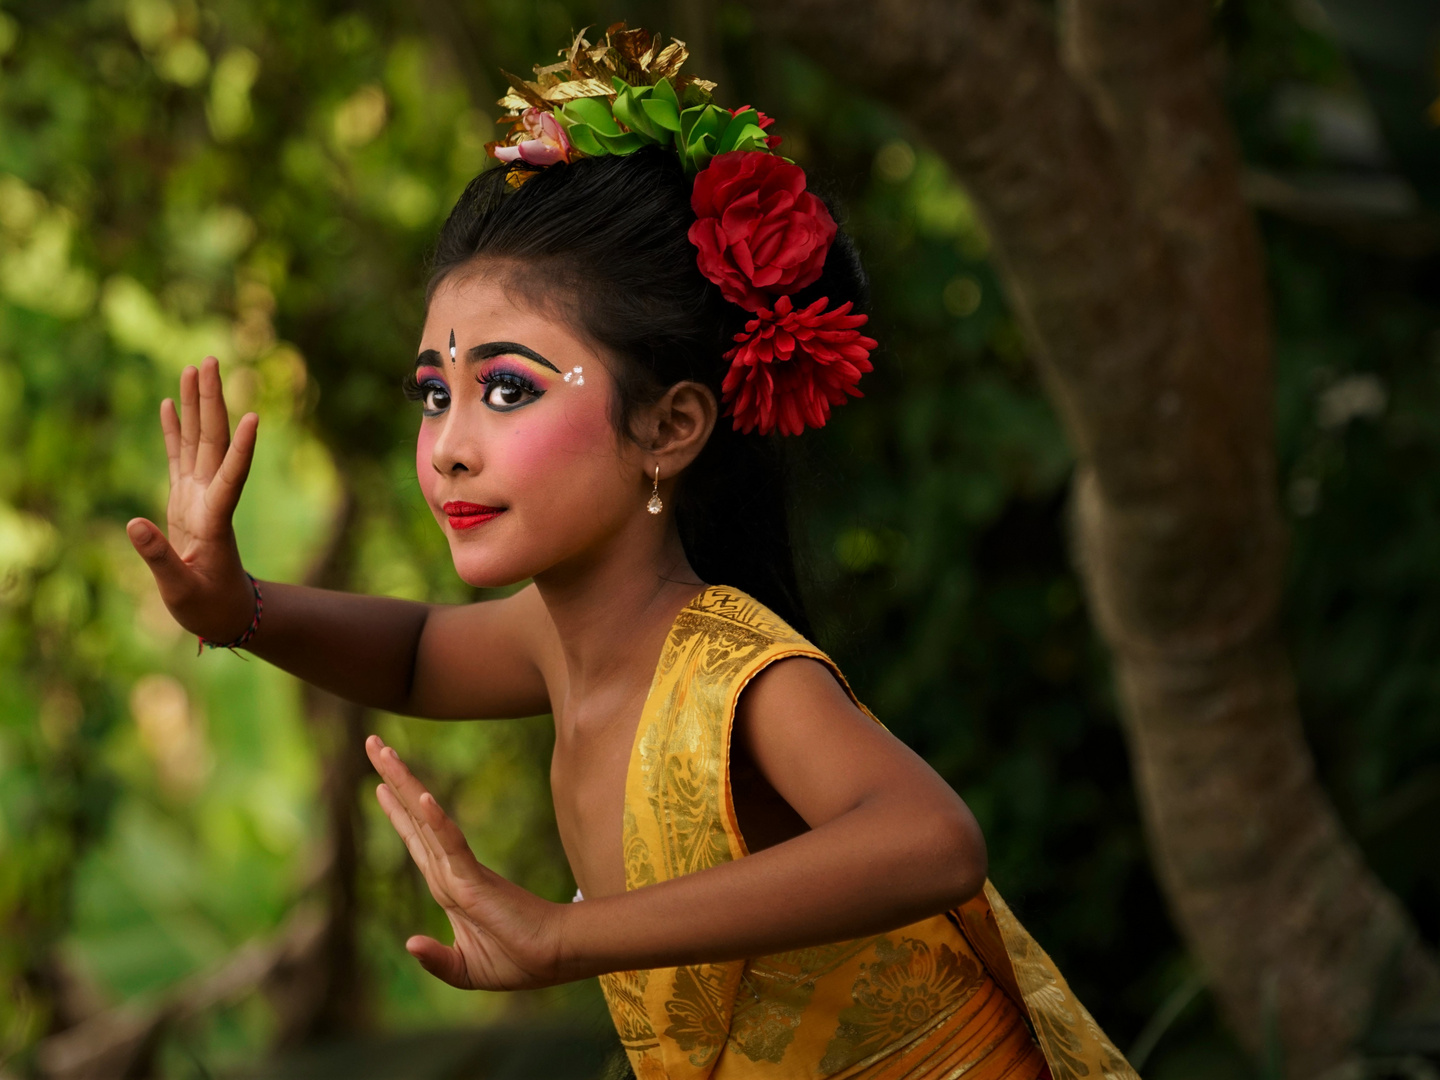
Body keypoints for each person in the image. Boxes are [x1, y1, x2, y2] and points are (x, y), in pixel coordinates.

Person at [124, 25, 1139, 1080]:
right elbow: (419, 654)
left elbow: (933, 842)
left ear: (668, 428)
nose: (451, 447)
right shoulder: (561, 641)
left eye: (507, 389)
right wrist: (234, 608)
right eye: (436, 394)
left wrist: (561, 938)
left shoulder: (732, 667)